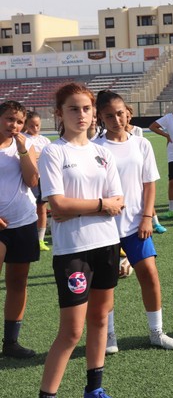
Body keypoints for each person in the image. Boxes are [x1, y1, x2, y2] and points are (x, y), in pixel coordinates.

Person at [38, 83, 125, 398]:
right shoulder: (53, 151)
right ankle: (47, 395)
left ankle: (94, 390)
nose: (82, 115)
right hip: (73, 251)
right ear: (58, 113)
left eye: (86, 108)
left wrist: (85, 208)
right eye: (73, 109)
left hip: (107, 245)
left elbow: (119, 201)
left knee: (100, 319)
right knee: (72, 331)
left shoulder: (102, 152)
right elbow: (58, 205)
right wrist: (101, 206)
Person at [93, 90, 173, 354]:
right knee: (106, 284)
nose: (116, 119)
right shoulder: (95, 148)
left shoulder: (141, 144)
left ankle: (156, 332)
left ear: (127, 112)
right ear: (100, 118)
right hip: (103, 228)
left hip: (135, 225)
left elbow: (149, 184)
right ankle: (109, 336)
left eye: (119, 113)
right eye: (109, 115)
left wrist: (146, 217)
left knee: (150, 275)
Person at [0, 101, 40, 359]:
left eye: (18, 121)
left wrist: (24, 150)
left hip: (24, 221)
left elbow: (32, 181)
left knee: (17, 282)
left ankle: (11, 343)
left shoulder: (25, 145)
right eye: (8, 119)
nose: (13, 125)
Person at [125, 105, 166, 234]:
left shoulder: (137, 130)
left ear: (130, 116)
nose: (125, 119)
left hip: (138, 168)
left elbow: (139, 149)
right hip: (126, 169)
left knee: (146, 196)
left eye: (127, 116)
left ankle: (155, 222)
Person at [23, 110, 52, 251]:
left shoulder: (44, 140)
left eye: (38, 125)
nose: (35, 128)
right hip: (27, 179)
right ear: (26, 125)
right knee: (28, 207)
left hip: (42, 179)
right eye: (32, 125)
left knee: (42, 208)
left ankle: (40, 240)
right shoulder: (23, 139)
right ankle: (28, 237)